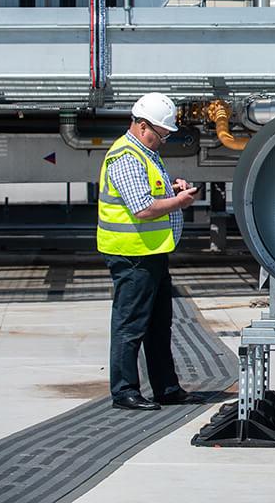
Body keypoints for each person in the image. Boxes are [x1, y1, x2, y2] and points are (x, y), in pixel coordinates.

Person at [97, 92, 200, 410]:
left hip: (152, 252)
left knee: (158, 324)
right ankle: (125, 391)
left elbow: (150, 190)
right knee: (130, 325)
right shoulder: (127, 156)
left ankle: (166, 387)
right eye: (161, 134)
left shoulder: (146, 152)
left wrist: (172, 188)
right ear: (143, 126)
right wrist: (180, 202)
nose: (164, 140)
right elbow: (142, 208)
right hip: (133, 255)